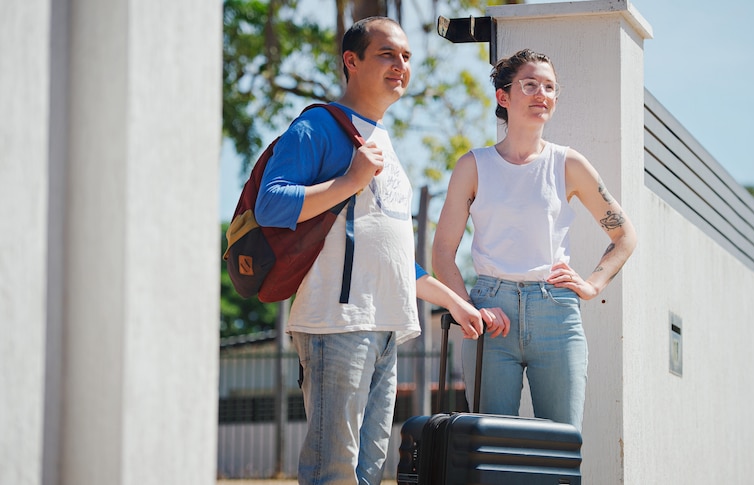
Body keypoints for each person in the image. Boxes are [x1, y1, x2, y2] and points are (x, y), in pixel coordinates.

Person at [254, 17, 491, 485]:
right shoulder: (318, 125)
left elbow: (396, 254)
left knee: (366, 472)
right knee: (333, 470)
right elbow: (270, 203)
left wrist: (455, 302)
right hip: (337, 325)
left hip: (386, 327)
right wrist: (349, 181)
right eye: (387, 54)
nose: (400, 65)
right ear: (352, 61)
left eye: (405, 56)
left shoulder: (382, 139)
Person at [432, 48, 637, 431]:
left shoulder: (568, 163)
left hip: (556, 313)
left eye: (549, 87)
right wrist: (469, 310)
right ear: (503, 96)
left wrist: (592, 285)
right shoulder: (473, 165)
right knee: (492, 450)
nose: (542, 93)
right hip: (492, 312)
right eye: (530, 85)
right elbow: (443, 252)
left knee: (561, 446)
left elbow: (624, 234)